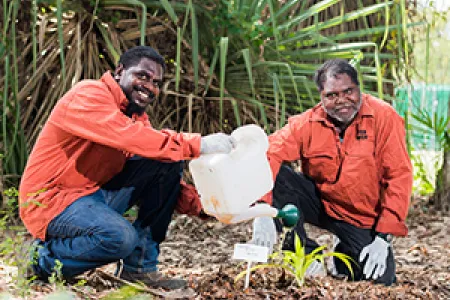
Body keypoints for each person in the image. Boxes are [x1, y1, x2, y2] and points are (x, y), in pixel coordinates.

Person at [19, 46, 235, 290]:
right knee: (119, 238)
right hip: (51, 200)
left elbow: (163, 179)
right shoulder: (89, 94)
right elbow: (128, 136)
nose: (149, 86)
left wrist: (209, 206)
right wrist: (199, 143)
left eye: (156, 82)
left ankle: (138, 269)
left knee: (167, 160)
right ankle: (38, 259)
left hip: (93, 195)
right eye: (142, 76)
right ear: (120, 71)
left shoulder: (135, 117)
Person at [251, 59, 412, 286]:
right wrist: (262, 210)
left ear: (359, 89)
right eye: (331, 95)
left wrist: (383, 238)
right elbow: (269, 154)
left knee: (379, 280)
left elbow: (398, 177)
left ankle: (342, 254)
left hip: (359, 217)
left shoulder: (384, 118)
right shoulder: (307, 122)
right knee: (278, 177)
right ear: (321, 96)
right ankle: (305, 251)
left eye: (348, 92)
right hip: (319, 201)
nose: (341, 101)